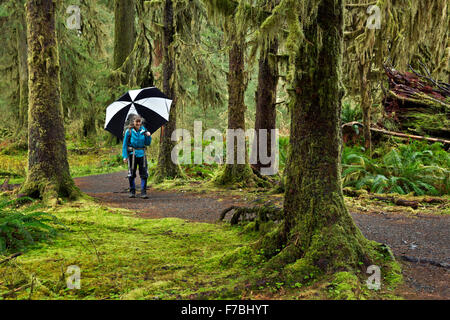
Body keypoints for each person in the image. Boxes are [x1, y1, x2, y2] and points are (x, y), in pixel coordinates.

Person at [122, 115, 152, 199]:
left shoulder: (143, 130)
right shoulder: (129, 131)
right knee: (131, 173)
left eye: (139, 121)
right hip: (132, 155)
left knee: (144, 174)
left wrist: (148, 136)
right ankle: (132, 191)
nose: (138, 123)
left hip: (142, 154)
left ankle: (143, 192)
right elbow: (124, 145)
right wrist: (125, 156)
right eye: (136, 122)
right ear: (133, 122)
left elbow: (148, 143)